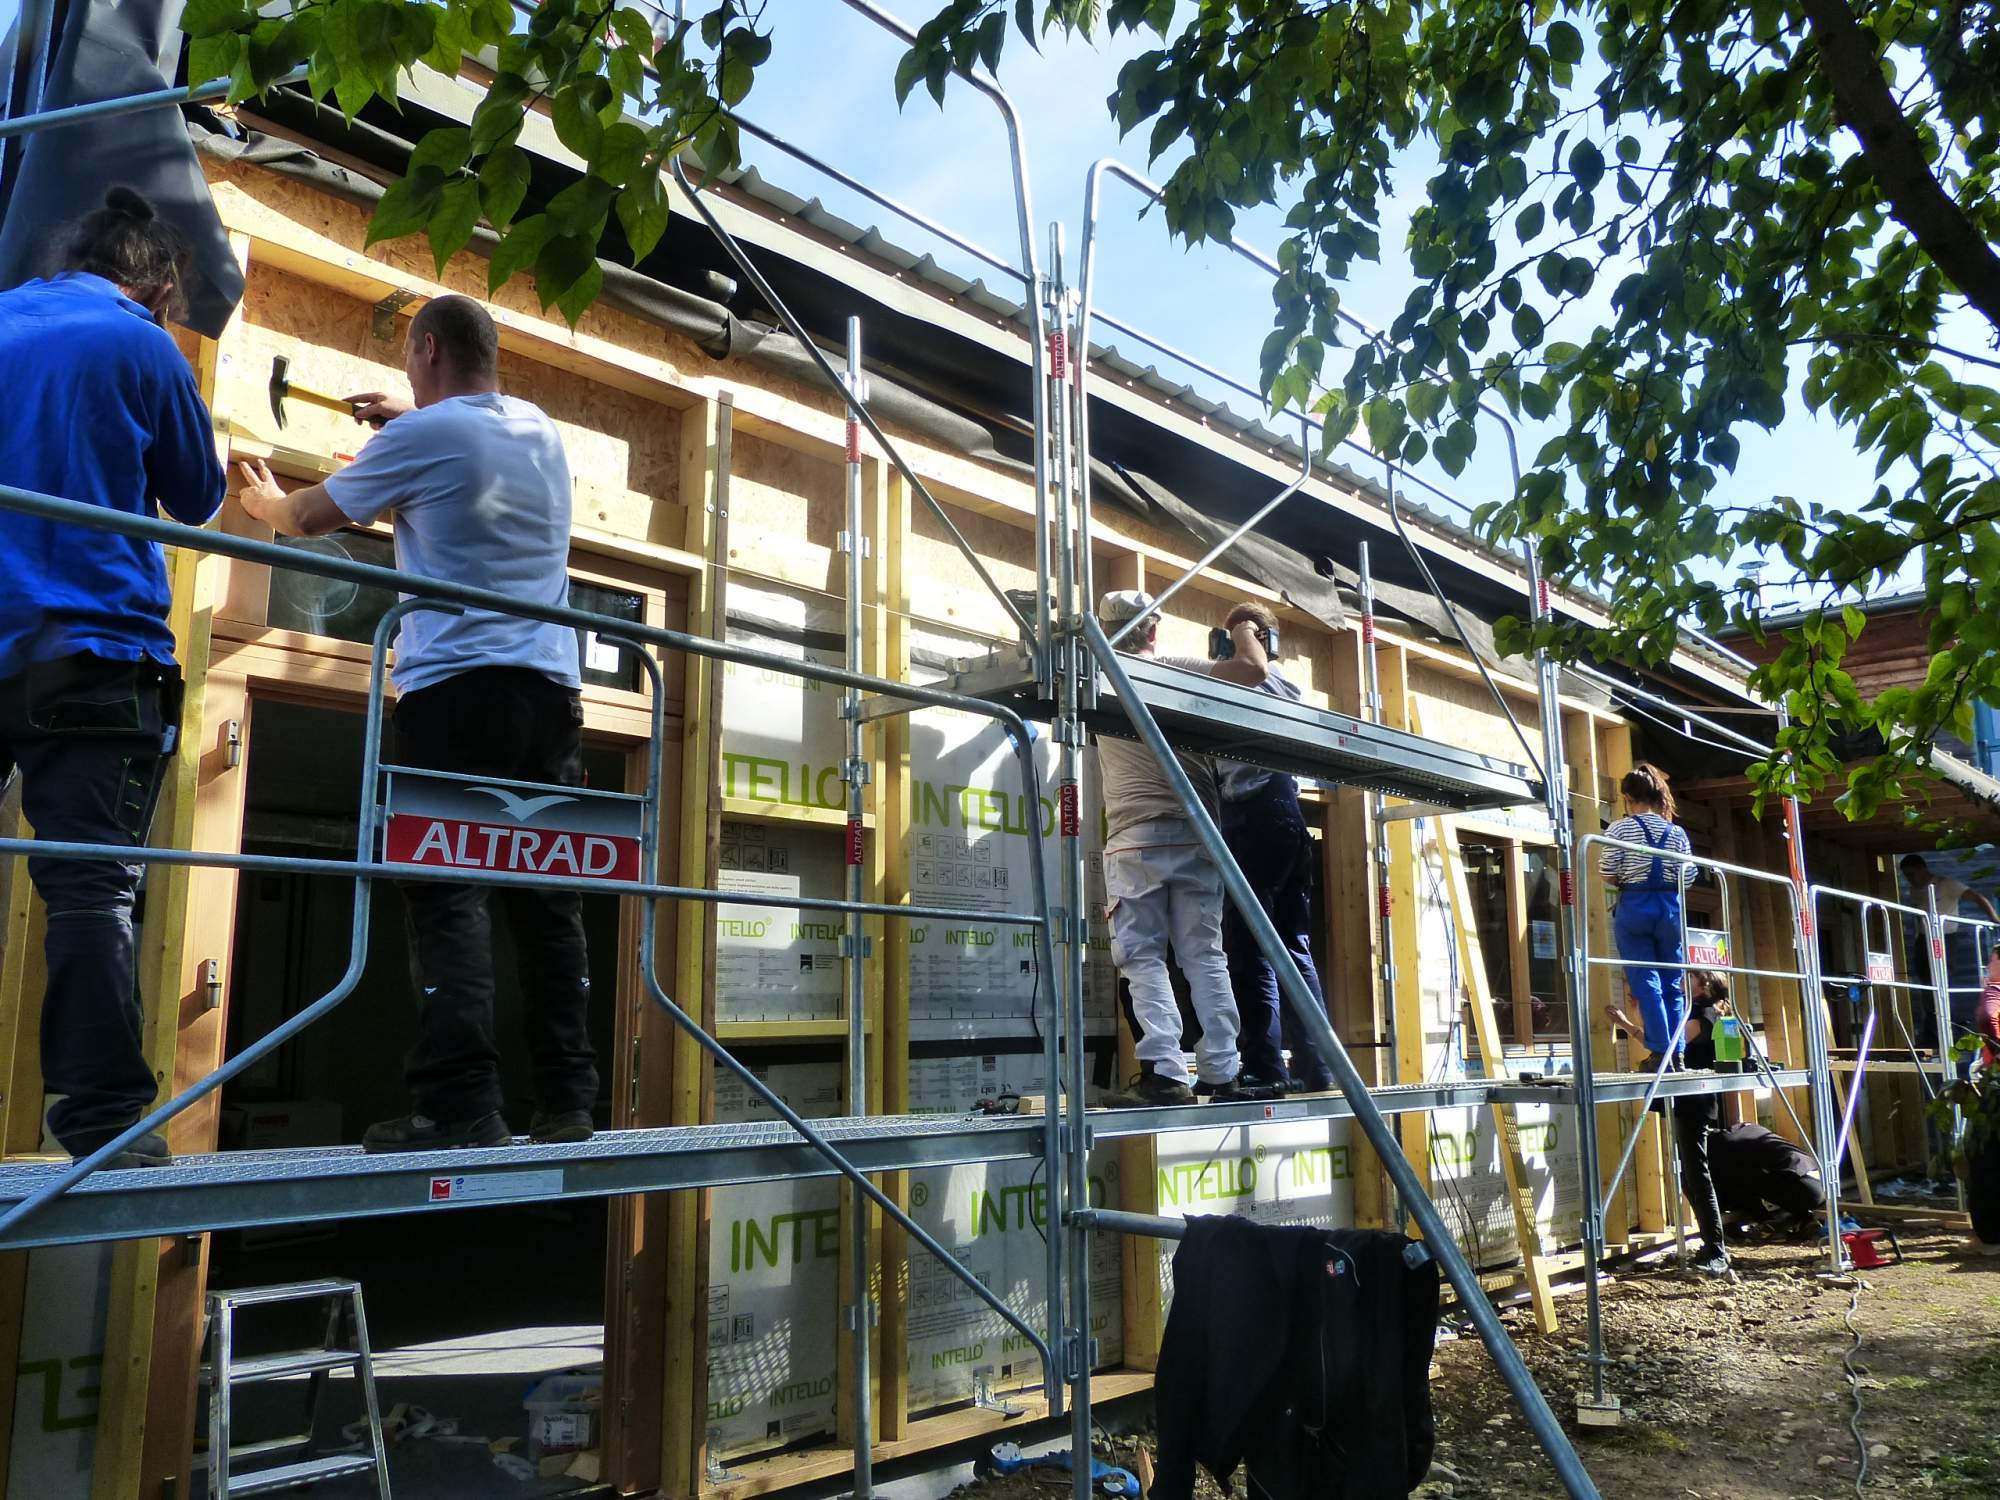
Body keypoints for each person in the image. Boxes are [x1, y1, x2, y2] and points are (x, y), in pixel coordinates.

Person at [235, 294, 598, 1153]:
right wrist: (413, 420)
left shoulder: (425, 437)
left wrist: (262, 504)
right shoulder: (538, 431)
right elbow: (463, 454)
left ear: (427, 348)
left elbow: (316, 516)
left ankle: (460, 1104)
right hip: (551, 697)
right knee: (549, 902)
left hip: (458, 694)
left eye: (408, 359)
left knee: (446, 893)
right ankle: (567, 1101)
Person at [0, 187, 226, 1169]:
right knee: (92, 889)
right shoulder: (144, 345)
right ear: (161, 282)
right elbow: (199, 496)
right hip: (96, 648)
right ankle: (98, 1122)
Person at [1095, 590, 1270, 1107]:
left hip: (1136, 841)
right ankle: (1222, 1073)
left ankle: (1166, 1074)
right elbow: (1255, 671)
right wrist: (1241, 622)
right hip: (1197, 837)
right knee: (1205, 957)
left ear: (1105, 630)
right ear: (1154, 630)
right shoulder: (1179, 669)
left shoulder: (1097, 671)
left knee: (1143, 957)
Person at [1214, 601, 1331, 1093]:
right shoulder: (1290, 689)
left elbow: (1254, 667)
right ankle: (1319, 1066)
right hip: (1288, 821)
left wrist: (1239, 631)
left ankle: (1265, 1065)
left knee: (1249, 949)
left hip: (1257, 817)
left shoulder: (1255, 677)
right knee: (1294, 949)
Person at [1598, 762, 1695, 1069]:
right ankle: (1677, 1051)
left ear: (1628, 797)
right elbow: (1689, 876)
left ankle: (1659, 1049)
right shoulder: (1676, 832)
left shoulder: (1620, 828)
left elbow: (1606, 872)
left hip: (1635, 905)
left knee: (1646, 981)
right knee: (1672, 981)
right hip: (1669, 907)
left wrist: (1629, 878)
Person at [1710, 1121, 1826, 1231]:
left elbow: (1741, 1182)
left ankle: (1767, 1222)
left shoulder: (1724, 1146)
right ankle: (1805, 1219)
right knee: (1757, 1175)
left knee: (1744, 1179)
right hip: (1822, 1183)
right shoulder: (1749, 1129)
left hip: (1806, 1189)